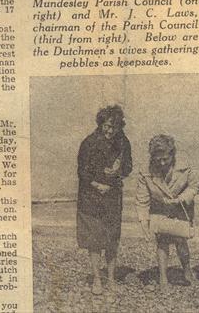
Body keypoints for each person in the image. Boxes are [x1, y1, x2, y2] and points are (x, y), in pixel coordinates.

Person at [77, 105, 132, 297]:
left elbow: (128, 168)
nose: (110, 131)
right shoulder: (88, 143)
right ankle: (97, 280)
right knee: (94, 240)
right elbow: (82, 172)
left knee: (111, 239)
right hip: (90, 197)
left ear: (120, 126)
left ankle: (110, 279)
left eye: (115, 127)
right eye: (107, 126)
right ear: (101, 124)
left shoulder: (123, 142)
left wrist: (119, 170)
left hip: (113, 197)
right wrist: (97, 184)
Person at [137, 134, 199, 290]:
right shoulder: (145, 171)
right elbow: (142, 199)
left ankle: (187, 272)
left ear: (173, 154)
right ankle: (162, 278)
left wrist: (182, 198)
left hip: (181, 206)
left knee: (181, 240)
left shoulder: (186, 167)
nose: (162, 163)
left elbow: (194, 187)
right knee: (162, 241)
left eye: (166, 158)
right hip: (159, 208)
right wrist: (144, 223)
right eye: (158, 160)